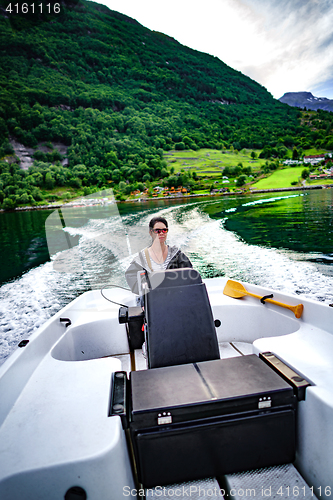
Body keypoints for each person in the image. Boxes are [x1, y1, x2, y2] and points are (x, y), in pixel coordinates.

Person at [125, 216, 192, 294]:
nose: (161, 233)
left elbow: (190, 275)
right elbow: (132, 278)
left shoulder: (177, 255)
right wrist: (145, 294)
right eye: (157, 231)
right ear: (151, 233)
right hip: (153, 299)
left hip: (176, 296)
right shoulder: (142, 259)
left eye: (164, 230)